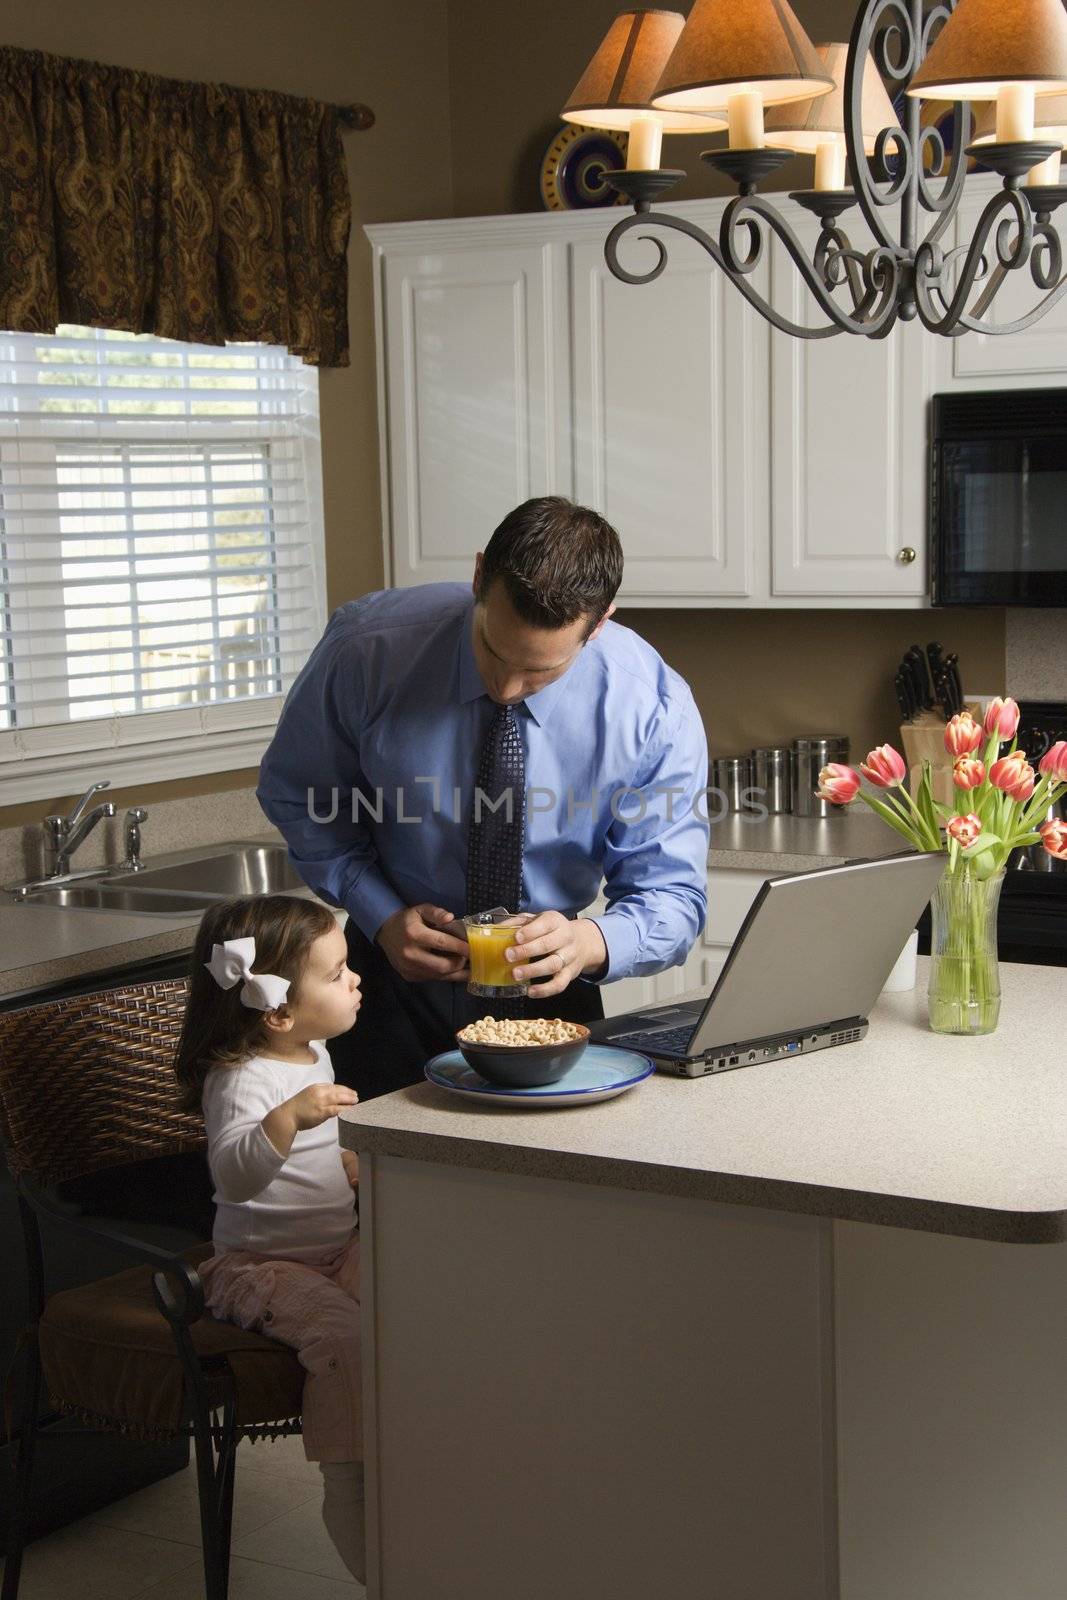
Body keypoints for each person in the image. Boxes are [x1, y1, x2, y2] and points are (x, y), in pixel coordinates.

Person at [258, 495, 709, 1100]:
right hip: (383, 981)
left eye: (542, 673)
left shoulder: (652, 708)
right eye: (493, 652)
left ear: (598, 624)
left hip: (553, 987)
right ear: (478, 578)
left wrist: (591, 942)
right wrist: (381, 913)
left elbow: (672, 898)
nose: (506, 688)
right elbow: (299, 795)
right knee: (380, 1182)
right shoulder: (366, 650)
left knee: (550, 1189)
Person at [173, 894, 367, 1584]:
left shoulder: (312, 1052)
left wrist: (347, 1166)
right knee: (344, 1336)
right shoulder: (242, 1080)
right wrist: (287, 1120)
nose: (355, 980)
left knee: (419, 1292)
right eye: (338, 971)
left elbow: (319, 1163)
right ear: (278, 1010)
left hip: (334, 1248)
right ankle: (348, 1476)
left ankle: (407, 1453)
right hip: (256, 1266)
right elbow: (237, 1174)